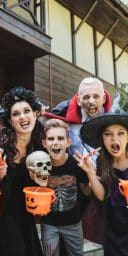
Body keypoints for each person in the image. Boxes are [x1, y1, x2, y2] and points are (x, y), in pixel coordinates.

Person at [44, 77, 112, 244]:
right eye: (86, 97)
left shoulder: (111, 119)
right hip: (74, 180)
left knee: (105, 231)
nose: (91, 101)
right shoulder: (64, 112)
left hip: (102, 178)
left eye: (96, 97)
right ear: (78, 99)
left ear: (103, 98)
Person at [0, 86, 44, 256]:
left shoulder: (39, 146)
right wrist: (0, 174)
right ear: (10, 121)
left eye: (27, 111)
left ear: (35, 114)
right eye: (16, 114)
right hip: (0, 213)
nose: (22, 117)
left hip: (25, 215)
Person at [74, 112, 128, 256]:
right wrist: (90, 173)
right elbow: (102, 195)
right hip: (113, 229)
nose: (114, 139)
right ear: (102, 139)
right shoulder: (102, 162)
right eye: (108, 134)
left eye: (121, 133)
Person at [40, 118, 90, 256]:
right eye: (51, 139)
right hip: (49, 224)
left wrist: (91, 175)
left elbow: (86, 192)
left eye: (61, 138)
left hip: (73, 223)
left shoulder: (76, 164)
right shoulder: (39, 164)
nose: (56, 142)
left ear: (68, 142)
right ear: (44, 143)